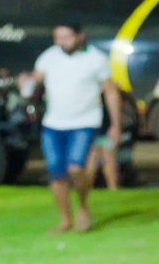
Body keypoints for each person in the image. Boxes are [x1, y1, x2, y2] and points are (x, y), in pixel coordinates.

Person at [25, 20, 121, 233]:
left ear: (80, 36)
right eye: (57, 38)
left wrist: (116, 124)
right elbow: (36, 79)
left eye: (66, 37)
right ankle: (65, 220)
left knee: (76, 167)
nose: (61, 42)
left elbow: (110, 91)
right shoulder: (49, 56)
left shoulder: (96, 58)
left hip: (84, 123)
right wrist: (28, 81)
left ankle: (83, 207)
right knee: (56, 173)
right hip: (53, 124)